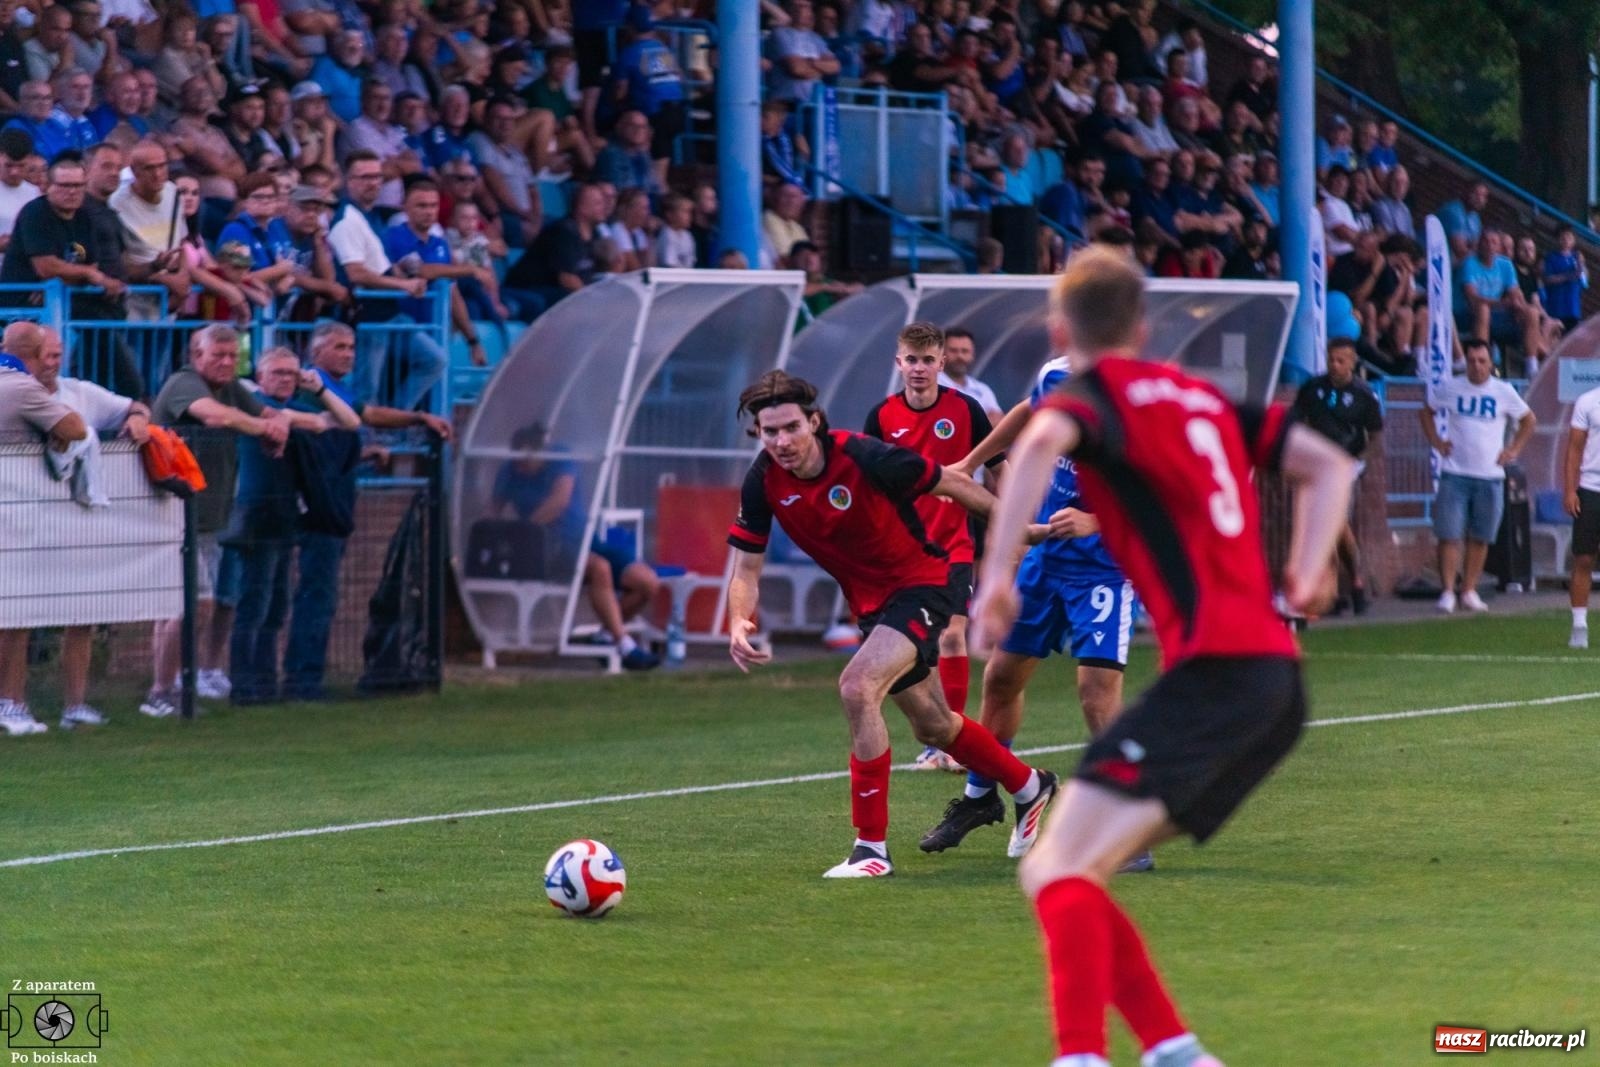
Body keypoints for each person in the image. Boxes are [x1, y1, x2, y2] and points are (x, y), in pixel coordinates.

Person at [972, 246, 1355, 1067]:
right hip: (1273, 680)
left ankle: (1083, 1055)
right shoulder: (1204, 397)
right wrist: (1311, 564)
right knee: (1072, 867)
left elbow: (1038, 448)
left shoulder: (1091, 396)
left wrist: (997, 576)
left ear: (1058, 331)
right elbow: (1329, 462)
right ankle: (1174, 1052)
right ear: (1143, 327)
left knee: (1057, 867)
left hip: (1218, 675)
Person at [726, 370, 1059, 878]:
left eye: (791, 427)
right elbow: (746, 567)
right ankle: (1030, 786)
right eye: (769, 432)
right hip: (873, 605)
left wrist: (1016, 530)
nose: (781, 441)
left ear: (813, 422)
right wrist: (737, 621)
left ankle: (871, 850)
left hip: (926, 579)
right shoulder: (763, 481)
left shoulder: (862, 455)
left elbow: (952, 481)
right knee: (933, 723)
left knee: (858, 686)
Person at [863, 323, 1005, 775]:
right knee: (913, 650)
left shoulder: (967, 410)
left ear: (942, 363)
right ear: (898, 362)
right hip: (902, 553)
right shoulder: (881, 416)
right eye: (911, 359)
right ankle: (938, 733)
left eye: (928, 360)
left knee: (950, 634)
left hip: (954, 544)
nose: (919, 368)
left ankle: (952, 745)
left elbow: (1000, 469)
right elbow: (869, 485)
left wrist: (1008, 527)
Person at [284, 322, 451, 700]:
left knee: (319, 594)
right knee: (314, 594)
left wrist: (417, 418)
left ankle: (306, 676)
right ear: (317, 352)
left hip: (334, 505)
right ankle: (302, 680)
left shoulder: (335, 389)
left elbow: (367, 414)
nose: (349, 353)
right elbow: (322, 451)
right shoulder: (313, 390)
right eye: (339, 347)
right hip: (318, 510)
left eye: (352, 347)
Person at [142, 325, 292, 719]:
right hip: (173, 514)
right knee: (194, 603)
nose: (226, 363)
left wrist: (278, 427)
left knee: (188, 605)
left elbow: (271, 411)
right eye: (217, 356)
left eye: (232, 356)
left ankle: (174, 685)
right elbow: (214, 416)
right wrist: (263, 429)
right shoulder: (184, 383)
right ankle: (162, 690)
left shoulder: (232, 387)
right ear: (196, 355)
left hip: (208, 517)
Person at [21, 325, 149, 727]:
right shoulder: (12, 393)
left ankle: (75, 706)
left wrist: (140, 419)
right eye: (45, 353)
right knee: (17, 618)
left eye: (57, 354)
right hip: (23, 523)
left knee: (82, 613)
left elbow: (133, 406)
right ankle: (13, 703)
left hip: (75, 523)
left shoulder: (79, 392)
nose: (52, 361)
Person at [224, 346, 358, 704]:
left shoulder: (299, 409)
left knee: (276, 604)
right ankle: (244, 684)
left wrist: (318, 390)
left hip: (285, 516)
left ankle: (266, 683)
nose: (285, 380)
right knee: (254, 600)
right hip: (256, 514)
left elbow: (349, 422)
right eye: (278, 373)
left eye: (291, 374)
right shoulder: (250, 405)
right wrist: (284, 416)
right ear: (261, 377)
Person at [494, 422, 661, 671]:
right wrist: (505, 537)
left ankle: (604, 636)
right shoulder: (509, 472)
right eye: (517, 457)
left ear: (542, 451)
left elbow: (558, 501)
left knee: (647, 583)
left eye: (527, 457)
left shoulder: (560, 459)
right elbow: (492, 510)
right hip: (545, 549)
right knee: (599, 568)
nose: (522, 464)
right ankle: (625, 646)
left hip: (585, 540)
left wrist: (526, 526)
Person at [0, 323, 88, 737]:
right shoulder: (20, 385)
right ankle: (10, 704)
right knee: (14, 617)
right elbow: (76, 429)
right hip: (11, 515)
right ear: (33, 355)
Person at [1419, 338, 1537, 615]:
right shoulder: (1452, 387)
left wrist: (1513, 449)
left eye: (1482, 361)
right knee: (1449, 534)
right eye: (1471, 361)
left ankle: (1469, 589)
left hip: (1490, 475)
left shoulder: (1503, 391)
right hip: (1455, 472)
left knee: (1481, 536)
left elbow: (1529, 420)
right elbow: (1426, 411)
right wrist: (1437, 441)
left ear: (1490, 363)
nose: (1476, 366)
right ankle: (1448, 590)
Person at [1291, 338, 1384, 615]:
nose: (1335, 365)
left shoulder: (1364, 395)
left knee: (1334, 523)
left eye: (1341, 360)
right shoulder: (1313, 388)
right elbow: (1297, 421)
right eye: (1331, 359)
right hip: (1315, 465)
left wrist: (1360, 461)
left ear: (1352, 362)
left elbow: (1376, 436)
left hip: (1344, 466)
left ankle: (1351, 584)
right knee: (1326, 527)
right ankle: (1344, 589)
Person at [938, 327, 1002, 422]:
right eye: (953, 351)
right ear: (941, 354)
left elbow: (999, 421)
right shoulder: (933, 385)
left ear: (972, 355)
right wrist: (984, 420)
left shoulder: (983, 390)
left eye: (965, 351)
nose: (960, 356)